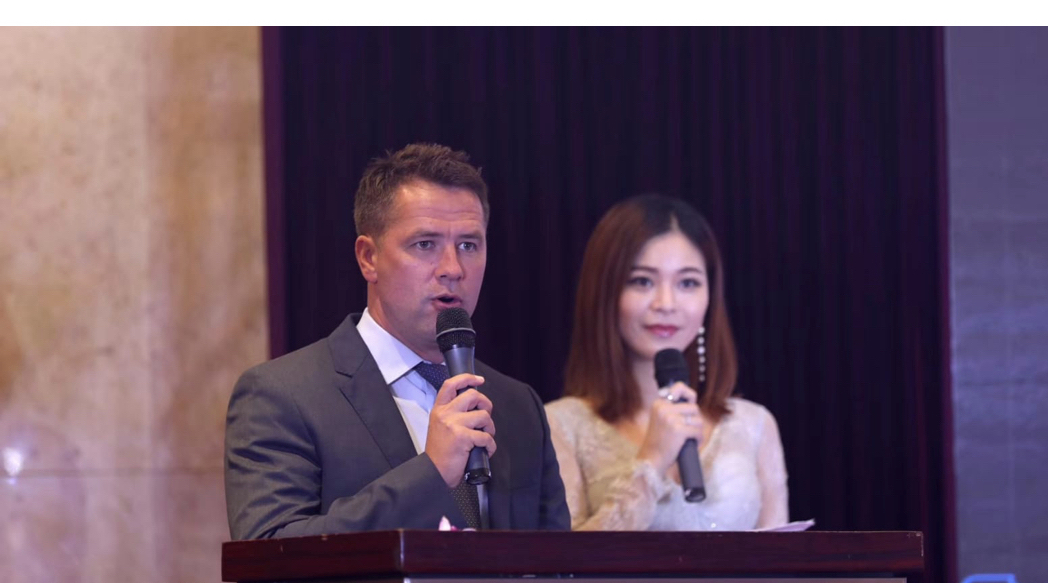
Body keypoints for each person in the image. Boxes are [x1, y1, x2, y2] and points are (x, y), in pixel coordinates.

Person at [225, 143, 571, 540]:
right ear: (368, 258)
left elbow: (557, 565)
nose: (453, 268)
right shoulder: (282, 396)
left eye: (469, 245)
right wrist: (431, 473)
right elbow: (271, 551)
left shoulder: (518, 405)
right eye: (425, 244)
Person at [545, 194, 788, 532]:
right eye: (642, 281)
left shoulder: (754, 424)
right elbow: (564, 561)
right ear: (606, 293)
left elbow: (780, 558)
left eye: (688, 283)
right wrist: (652, 460)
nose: (666, 303)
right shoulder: (559, 425)